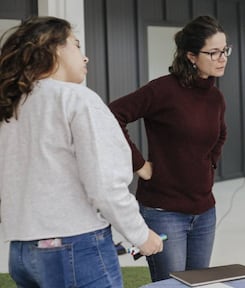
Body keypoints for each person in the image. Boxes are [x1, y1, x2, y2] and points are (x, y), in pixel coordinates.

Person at [0, 16, 163, 288]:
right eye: (76, 46)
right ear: (53, 50)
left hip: (21, 251)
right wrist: (140, 234)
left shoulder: (11, 107)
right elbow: (104, 185)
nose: (84, 57)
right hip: (74, 246)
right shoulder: (78, 99)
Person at [108, 15, 229, 282]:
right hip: (164, 213)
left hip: (205, 210)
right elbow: (113, 114)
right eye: (214, 52)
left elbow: (220, 135)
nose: (223, 58)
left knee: (197, 284)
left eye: (225, 50)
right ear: (191, 56)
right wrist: (139, 164)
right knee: (171, 286)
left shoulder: (216, 97)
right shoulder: (163, 90)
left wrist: (208, 167)